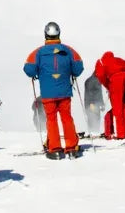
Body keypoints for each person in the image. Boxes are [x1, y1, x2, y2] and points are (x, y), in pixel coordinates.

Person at [23, 21, 84, 159]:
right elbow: (78, 68)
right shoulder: (69, 50)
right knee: (67, 118)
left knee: (51, 119)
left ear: (45, 34)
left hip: (48, 93)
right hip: (65, 91)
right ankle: (72, 148)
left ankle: (55, 148)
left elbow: (29, 69)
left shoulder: (37, 52)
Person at [94, 51, 125, 139]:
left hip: (117, 78)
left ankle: (121, 134)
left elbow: (100, 75)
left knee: (117, 108)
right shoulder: (118, 60)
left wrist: (108, 86)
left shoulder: (101, 61)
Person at [83, 72, 106, 136]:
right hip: (93, 103)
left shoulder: (91, 80)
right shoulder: (95, 81)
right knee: (94, 117)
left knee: (93, 117)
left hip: (91, 102)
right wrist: (100, 104)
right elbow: (95, 93)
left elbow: (97, 93)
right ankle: (93, 132)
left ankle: (93, 132)